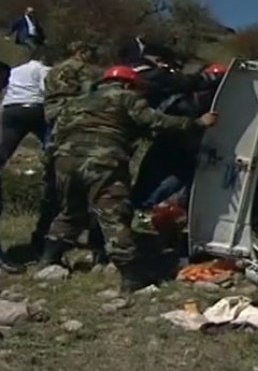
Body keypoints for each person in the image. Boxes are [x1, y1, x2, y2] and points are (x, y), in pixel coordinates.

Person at [38, 65, 218, 293]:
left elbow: (55, 135)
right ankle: (131, 276)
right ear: (127, 84)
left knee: (70, 211)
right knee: (114, 215)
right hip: (103, 160)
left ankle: (48, 260)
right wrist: (197, 123)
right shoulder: (126, 96)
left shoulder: (76, 102)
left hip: (65, 161)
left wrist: (50, 166)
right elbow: (154, 120)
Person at [32, 41, 103, 256]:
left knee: (53, 181)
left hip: (53, 121)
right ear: (82, 51)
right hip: (77, 122)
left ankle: (42, 235)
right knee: (91, 180)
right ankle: (94, 240)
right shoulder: (86, 70)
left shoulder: (52, 71)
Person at [131, 62, 227, 209]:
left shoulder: (192, 99)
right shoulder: (182, 97)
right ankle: (141, 205)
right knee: (153, 181)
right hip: (170, 144)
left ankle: (143, 206)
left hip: (181, 147)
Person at [0, 47, 51, 168]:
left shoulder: (15, 70)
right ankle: (52, 171)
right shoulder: (42, 69)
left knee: (5, 146)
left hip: (11, 109)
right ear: (43, 58)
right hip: (34, 108)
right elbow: (46, 88)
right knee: (50, 142)